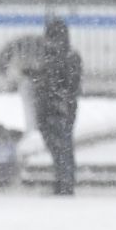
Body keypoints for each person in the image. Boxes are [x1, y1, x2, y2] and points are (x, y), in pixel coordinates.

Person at [27, 17, 83, 196]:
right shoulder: (58, 56)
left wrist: (55, 93)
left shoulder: (62, 57)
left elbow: (66, 83)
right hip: (56, 106)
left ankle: (65, 181)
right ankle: (64, 179)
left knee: (61, 145)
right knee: (60, 144)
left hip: (57, 106)